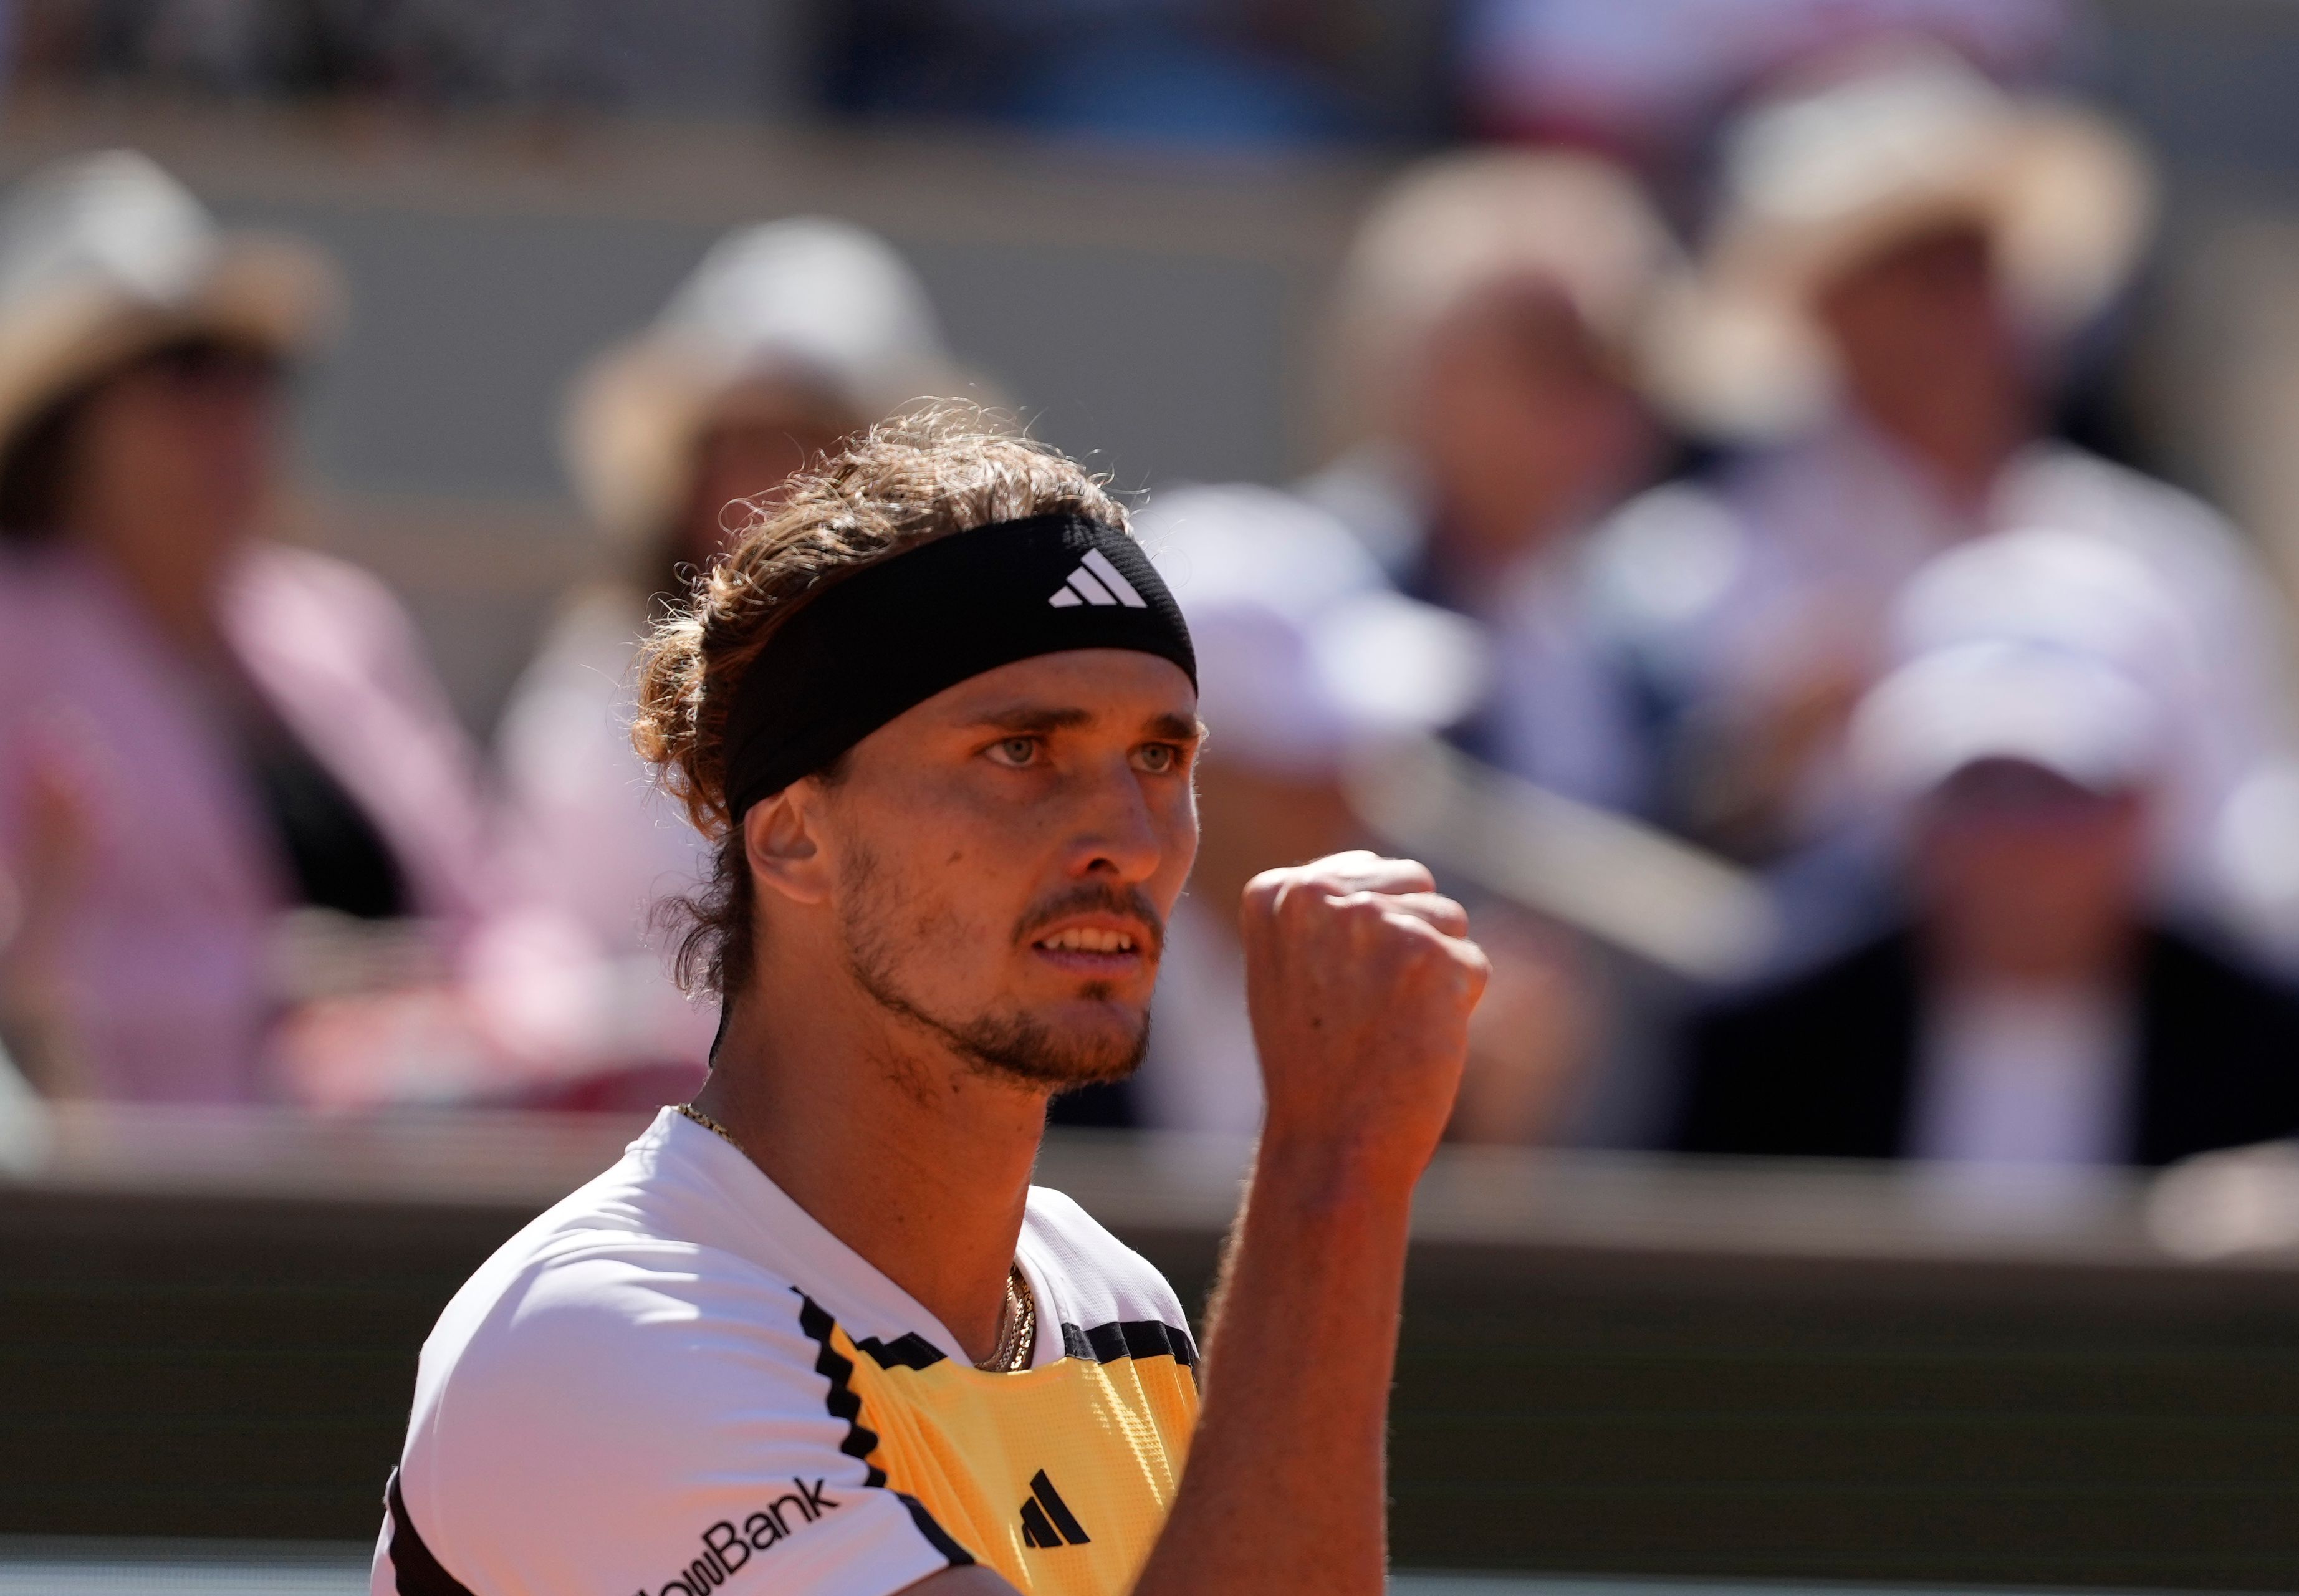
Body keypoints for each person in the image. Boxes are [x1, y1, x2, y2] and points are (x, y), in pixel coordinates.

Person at [373, 410, 1491, 1595]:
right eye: (1021, 753)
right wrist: (1332, 1167)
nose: (1128, 837)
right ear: (797, 838)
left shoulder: (1113, 1304)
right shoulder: (599, 1338)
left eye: (1160, 759)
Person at [1605, 47, 2299, 973]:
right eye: (1924, 271)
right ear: (1827, 309)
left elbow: (2282, 867)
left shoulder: (2163, 556)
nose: (1975, 308)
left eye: (1985, 264)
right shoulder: (1690, 567)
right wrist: (1759, 766)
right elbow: (1654, 885)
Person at [0, 150, 492, 1103]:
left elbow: (495, 906)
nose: (232, 413)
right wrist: (264, 993)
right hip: (157, 1219)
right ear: (65, 427)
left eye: (252, 371)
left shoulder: (342, 622)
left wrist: (487, 1020)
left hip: (424, 1172)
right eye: (181, 372)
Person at [478, 219, 979, 1094]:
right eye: (745, 445)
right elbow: (533, 929)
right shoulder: (596, 673)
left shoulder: (965, 681)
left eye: (813, 447)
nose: (777, 486)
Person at [1675, 636, 2299, 1167]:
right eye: (1978, 792)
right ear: (1910, 820)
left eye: (2061, 794)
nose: (2017, 841)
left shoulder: (2267, 1041)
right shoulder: (1772, 1042)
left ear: (2141, 814)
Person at [1067, 483, 1484, 1138]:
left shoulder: (1409, 982)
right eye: (1302, 761)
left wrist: (1485, 1124)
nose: (1349, 792)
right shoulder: (1010, 993)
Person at [1304, 147, 1682, 816]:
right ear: (1423, 371)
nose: (1596, 415)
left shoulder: (1644, 617)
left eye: (1617, 372)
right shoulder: (1311, 595)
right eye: (1546, 368)